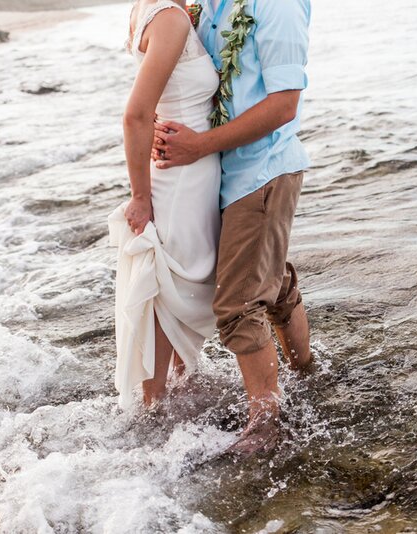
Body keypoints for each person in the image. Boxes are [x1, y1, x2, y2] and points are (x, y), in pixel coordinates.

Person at [151, 0, 313, 454]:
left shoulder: (277, 5)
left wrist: (199, 145)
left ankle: (266, 424)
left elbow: (283, 106)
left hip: (262, 171)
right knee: (266, 281)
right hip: (217, 175)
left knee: (239, 302)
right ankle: (306, 372)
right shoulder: (207, 5)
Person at [108, 0, 221, 408]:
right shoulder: (171, 18)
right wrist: (140, 196)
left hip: (185, 170)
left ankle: (177, 390)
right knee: (170, 286)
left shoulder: (152, 9)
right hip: (183, 178)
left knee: (177, 283)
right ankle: (154, 404)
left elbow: (161, 94)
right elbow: (135, 115)